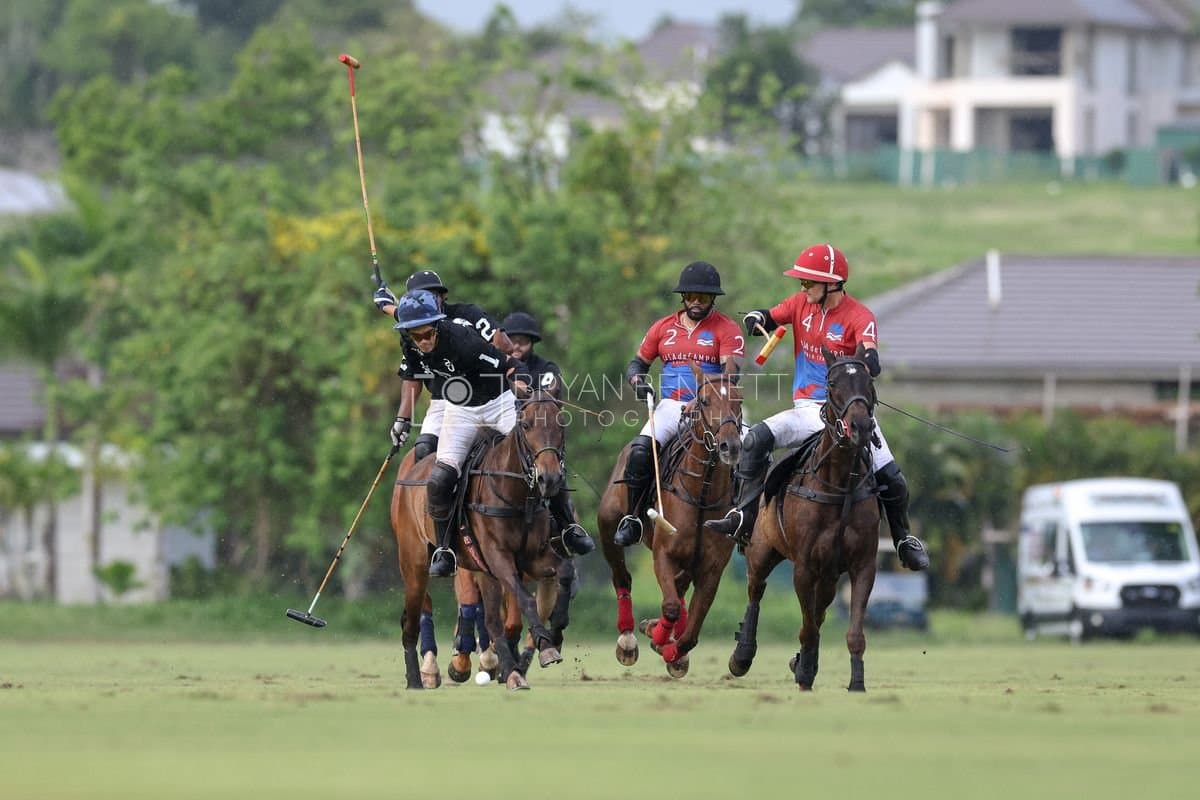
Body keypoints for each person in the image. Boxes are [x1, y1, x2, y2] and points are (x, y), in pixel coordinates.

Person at [703, 244, 929, 571]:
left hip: (849, 413)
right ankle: (743, 517)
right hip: (807, 409)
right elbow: (769, 315)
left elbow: (869, 351)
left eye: (809, 282)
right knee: (754, 441)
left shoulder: (859, 316)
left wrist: (869, 358)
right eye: (802, 282)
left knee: (893, 479)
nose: (803, 288)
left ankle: (903, 539)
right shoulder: (800, 304)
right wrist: (755, 318)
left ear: (832, 284)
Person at [389, 289, 524, 577]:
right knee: (438, 480)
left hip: (498, 403)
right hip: (460, 411)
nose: (423, 342)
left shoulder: (463, 340)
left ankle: (565, 528)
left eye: (427, 335)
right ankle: (445, 550)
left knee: (534, 457)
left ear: (438, 326)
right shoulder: (409, 342)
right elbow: (411, 372)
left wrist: (526, 383)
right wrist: (402, 419)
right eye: (416, 336)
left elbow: (508, 363)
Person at [612, 261, 745, 547]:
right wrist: (638, 382)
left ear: (713, 300)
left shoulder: (727, 329)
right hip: (672, 406)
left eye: (704, 297)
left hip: (715, 408)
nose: (696, 302)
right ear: (682, 297)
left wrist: (702, 398)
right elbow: (637, 364)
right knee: (638, 452)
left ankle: (746, 519)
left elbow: (731, 375)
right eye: (691, 296)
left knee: (755, 448)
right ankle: (633, 518)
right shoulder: (662, 327)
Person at [374, 269, 515, 462]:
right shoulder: (411, 332)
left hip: (490, 394)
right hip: (444, 398)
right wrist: (402, 419)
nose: (424, 300)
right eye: (418, 297)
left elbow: (505, 347)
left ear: (442, 296)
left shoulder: (467, 314)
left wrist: (477, 354)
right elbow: (412, 375)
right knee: (424, 451)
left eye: (431, 295)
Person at [501, 310, 594, 557]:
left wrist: (523, 392)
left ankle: (568, 529)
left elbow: (546, 407)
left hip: (535, 433)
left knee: (553, 471)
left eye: (524, 340)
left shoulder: (546, 368)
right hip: (498, 426)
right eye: (512, 339)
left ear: (532, 343)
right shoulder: (494, 364)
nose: (517, 345)